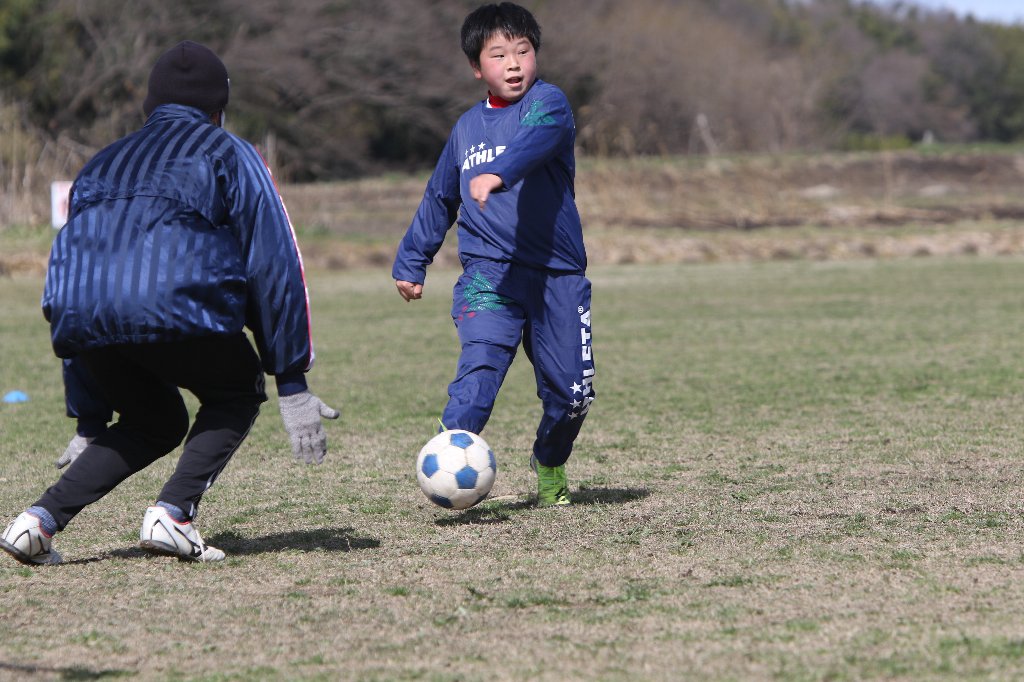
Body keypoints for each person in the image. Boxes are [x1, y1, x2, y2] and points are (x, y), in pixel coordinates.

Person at [1, 41, 339, 566]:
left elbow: (79, 277)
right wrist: (291, 380)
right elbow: (273, 261)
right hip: (176, 305)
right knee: (237, 390)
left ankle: (36, 522)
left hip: (84, 320)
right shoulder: (230, 152)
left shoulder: (100, 162)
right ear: (219, 108)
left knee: (153, 419)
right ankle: (174, 514)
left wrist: (90, 418)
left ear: (150, 106)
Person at [392, 3, 595, 507]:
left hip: (557, 276)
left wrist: (498, 173)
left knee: (572, 395)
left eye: (523, 51)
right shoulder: (465, 129)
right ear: (476, 67)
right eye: (499, 54)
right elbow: (440, 196)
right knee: (478, 374)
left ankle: (549, 459)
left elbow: (536, 141)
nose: (514, 63)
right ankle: (449, 470)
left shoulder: (549, 104)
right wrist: (412, 261)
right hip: (490, 276)